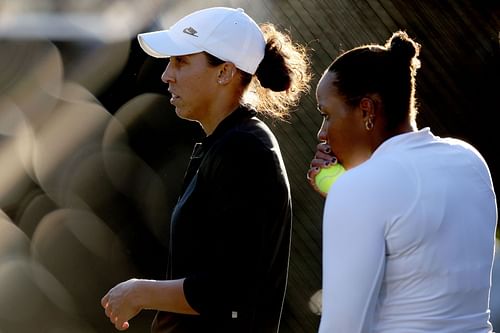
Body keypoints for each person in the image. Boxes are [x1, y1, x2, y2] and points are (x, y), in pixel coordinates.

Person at [101, 6, 311, 333]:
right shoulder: (228, 143)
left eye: (181, 61)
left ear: (225, 72)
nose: (166, 74)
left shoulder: (245, 150)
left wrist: (141, 292)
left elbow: (231, 289)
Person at [307, 31, 497, 332]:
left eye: (326, 114)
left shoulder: (358, 189)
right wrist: (344, 191)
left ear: (366, 111)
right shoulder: (470, 161)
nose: (322, 132)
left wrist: (346, 192)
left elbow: (343, 326)